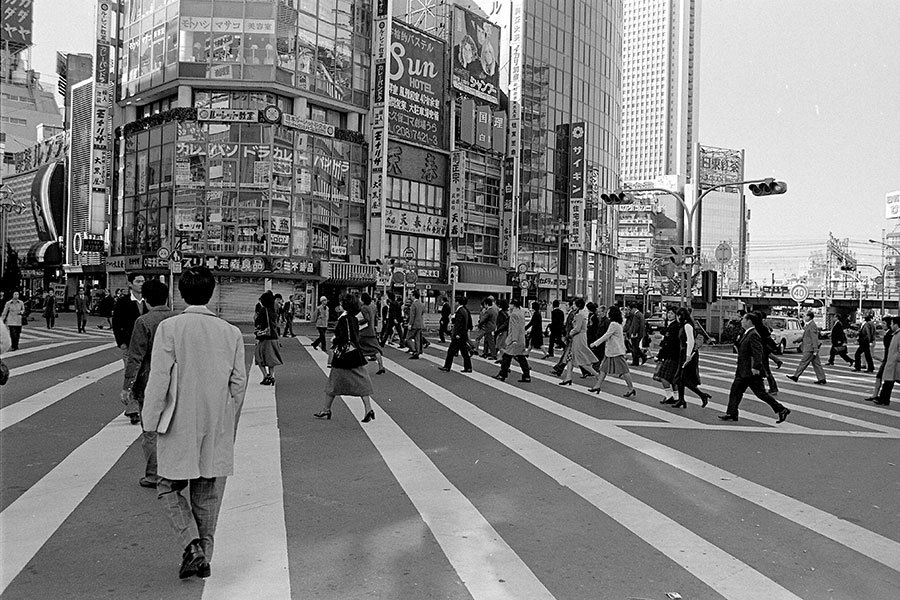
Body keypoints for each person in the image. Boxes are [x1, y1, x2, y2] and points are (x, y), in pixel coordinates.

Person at [142, 266, 247, 580]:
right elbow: (238, 384)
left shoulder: (171, 328)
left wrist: (150, 420)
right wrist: (226, 417)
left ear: (181, 294)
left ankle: (192, 546)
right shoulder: (231, 333)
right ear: (212, 293)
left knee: (167, 485)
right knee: (206, 490)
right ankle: (204, 555)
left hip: (178, 422)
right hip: (215, 420)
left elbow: (159, 379)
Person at [121, 279, 175, 482]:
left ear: (146, 300)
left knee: (151, 430)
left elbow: (135, 358)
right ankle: (174, 471)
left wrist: (127, 387)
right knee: (173, 427)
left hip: (149, 381)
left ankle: (154, 474)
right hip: (176, 380)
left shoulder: (143, 322)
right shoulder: (178, 319)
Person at [314, 294, 377, 422]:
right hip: (355, 354)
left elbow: (344, 336)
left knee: (333, 383)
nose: (340, 305)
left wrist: (336, 340)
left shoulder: (345, 319)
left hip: (344, 356)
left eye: (342, 303)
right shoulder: (353, 318)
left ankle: (326, 410)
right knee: (362, 382)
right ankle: (368, 409)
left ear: (346, 305)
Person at [719, 312, 791, 423]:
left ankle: (781, 409)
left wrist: (756, 367)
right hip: (744, 370)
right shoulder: (746, 333)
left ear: (749, 322)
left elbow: (758, 352)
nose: (742, 321)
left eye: (743, 319)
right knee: (736, 391)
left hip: (750, 371)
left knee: (759, 393)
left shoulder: (753, 335)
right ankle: (732, 413)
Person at [588, 305, 636, 396]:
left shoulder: (613, 324)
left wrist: (594, 343)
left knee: (624, 371)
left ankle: (631, 388)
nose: (608, 313)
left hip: (616, 352)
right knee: (603, 369)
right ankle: (597, 386)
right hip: (612, 351)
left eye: (609, 311)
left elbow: (606, 335)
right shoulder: (618, 324)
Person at [670, 307, 713, 408]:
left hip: (688, 353)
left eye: (677, 315)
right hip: (684, 353)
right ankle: (681, 400)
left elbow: (690, 341)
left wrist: (688, 356)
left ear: (680, 316)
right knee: (680, 379)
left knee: (684, 379)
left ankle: (702, 395)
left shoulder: (687, 326)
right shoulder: (685, 325)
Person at [558, 298, 602, 388]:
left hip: (578, 338)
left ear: (578, 306)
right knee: (570, 358)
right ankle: (568, 377)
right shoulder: (580, 314)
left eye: (574, 304)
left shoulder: (579, 315)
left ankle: (596, 374)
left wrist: (570, 333)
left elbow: (577, 328)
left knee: (580, 359)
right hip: (577, 338)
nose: (572, 306)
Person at [493, 297, 531, 382]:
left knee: (507, 357)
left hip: (514, 339)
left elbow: (514, 328)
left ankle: (502, 374)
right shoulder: (521, 313)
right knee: (521, 357)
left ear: (513, 305)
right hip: (521, 339)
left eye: (510, 304)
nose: (509, 305)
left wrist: (513, 339)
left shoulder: (513, 314)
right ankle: (526, 375)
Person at [113, 273, 147, 365]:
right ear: (130, 284)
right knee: (131, 375)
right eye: (138, 281)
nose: (141, 284)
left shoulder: (149, 301)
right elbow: (116, 323)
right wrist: (121, 343)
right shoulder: (123, 302)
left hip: (147, 346)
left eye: (143, 281)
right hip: (130, 344)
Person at [787, 311, 826, 384]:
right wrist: (797, 340)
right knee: (816, 364)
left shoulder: (812, 325)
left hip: (810, 348)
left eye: (805, 316)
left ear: (809, 317)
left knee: (803, 362)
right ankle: (822, 378)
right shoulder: (809, 325)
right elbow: (806, 336)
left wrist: (815, 350)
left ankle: (796, 376)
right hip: (811, 348)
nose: (804, 317)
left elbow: (814, 339)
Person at [254, 291, 283, 385]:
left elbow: (257, 322)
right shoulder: (274, 310)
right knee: (271, 358)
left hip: (265, 337)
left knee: (259, 357)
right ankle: (271, 376)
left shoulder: (264, 310)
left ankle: (266, 376)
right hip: (274, 337)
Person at [439, 297, 474, 373]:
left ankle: (447, 366)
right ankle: (468, 367)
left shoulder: (460, 311)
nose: (454, 303)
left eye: (455, 301)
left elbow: (459, 324)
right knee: (464, 351)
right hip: (463, 334)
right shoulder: (465, 310)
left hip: (459, 335)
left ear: (458, 302)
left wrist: (457, 333)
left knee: (451, 351)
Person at [654, 308, 680, 404]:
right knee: (673, 378)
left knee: (663, 377)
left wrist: (659, 356)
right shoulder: (672, 325)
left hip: (670, 355)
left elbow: (668, 343)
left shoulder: (674, 326)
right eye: (668, 313)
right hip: (674, 355)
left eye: (672, 313)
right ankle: (676, 397)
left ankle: (669, 396)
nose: (669, 315)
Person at [865, 315, 894, 402]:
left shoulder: (890, 334)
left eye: (884, 323)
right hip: (887, 359)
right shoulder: (889, 333)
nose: (882, 325)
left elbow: (890, 349)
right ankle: (876, 395)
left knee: (883, 378)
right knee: (880, 377)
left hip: (889, 359)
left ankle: (878, 396)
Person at [873, 317, 900, 406]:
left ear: (896, 324)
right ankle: (884, 399)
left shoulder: (898, 335)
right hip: (891, 363)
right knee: (888, 382)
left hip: (895, 364)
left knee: (889, 381)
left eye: (892, 324)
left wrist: (896, 359)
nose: (891, 325)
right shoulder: (895, 334)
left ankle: (883, 399)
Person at [358, 292, 385, 375]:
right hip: (371, 331)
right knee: (375, 349)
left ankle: (363, 368)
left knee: (362, 349)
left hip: (364, 331)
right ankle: (381, 366)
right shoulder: (372, 307)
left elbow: (367, 319)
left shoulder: (364, 308)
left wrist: (358, 322)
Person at [407, 289, 425, 359]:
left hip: (414, 324)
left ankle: (414, 350)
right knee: (417, 339)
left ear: (414, 296)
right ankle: (417, 352)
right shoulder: (421, 304)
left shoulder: (413, 305)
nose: (411, 297)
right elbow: (422, 313)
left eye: (411, 295)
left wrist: (410, 324)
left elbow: (412, 315)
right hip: (420, 324)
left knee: (408, 338)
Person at [492, 299, 510, 363]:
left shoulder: (501, 313)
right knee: (502, 345)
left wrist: (497, 330)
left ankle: (508, 355)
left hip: (501, 331)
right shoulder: (507, 313)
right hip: (506, 331)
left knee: (499, 346)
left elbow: (500, 323)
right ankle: (499, 358)